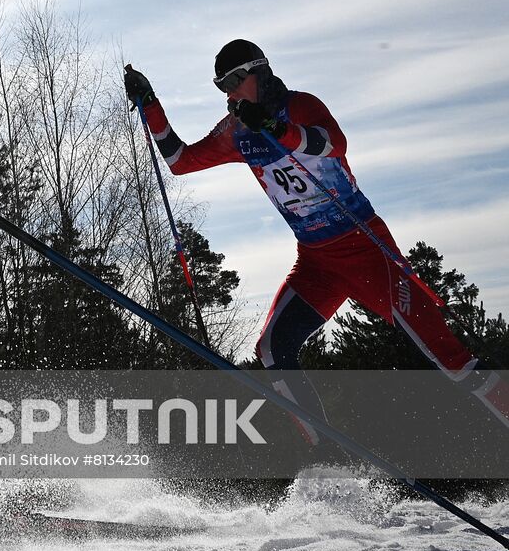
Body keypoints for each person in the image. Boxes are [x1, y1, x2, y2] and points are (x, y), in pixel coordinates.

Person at [124, 40, 508, 434]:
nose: (230, 92)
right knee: (273, 349)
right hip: (316, 263)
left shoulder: (301, 106)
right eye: (222, 86)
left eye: (236, 80)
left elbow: (333, 144)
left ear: (260, 73)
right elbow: (180, 161)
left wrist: (276, 128)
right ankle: (328, 454)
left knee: (448, 356)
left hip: (366, 250)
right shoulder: (236, 131)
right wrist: (150, 104)